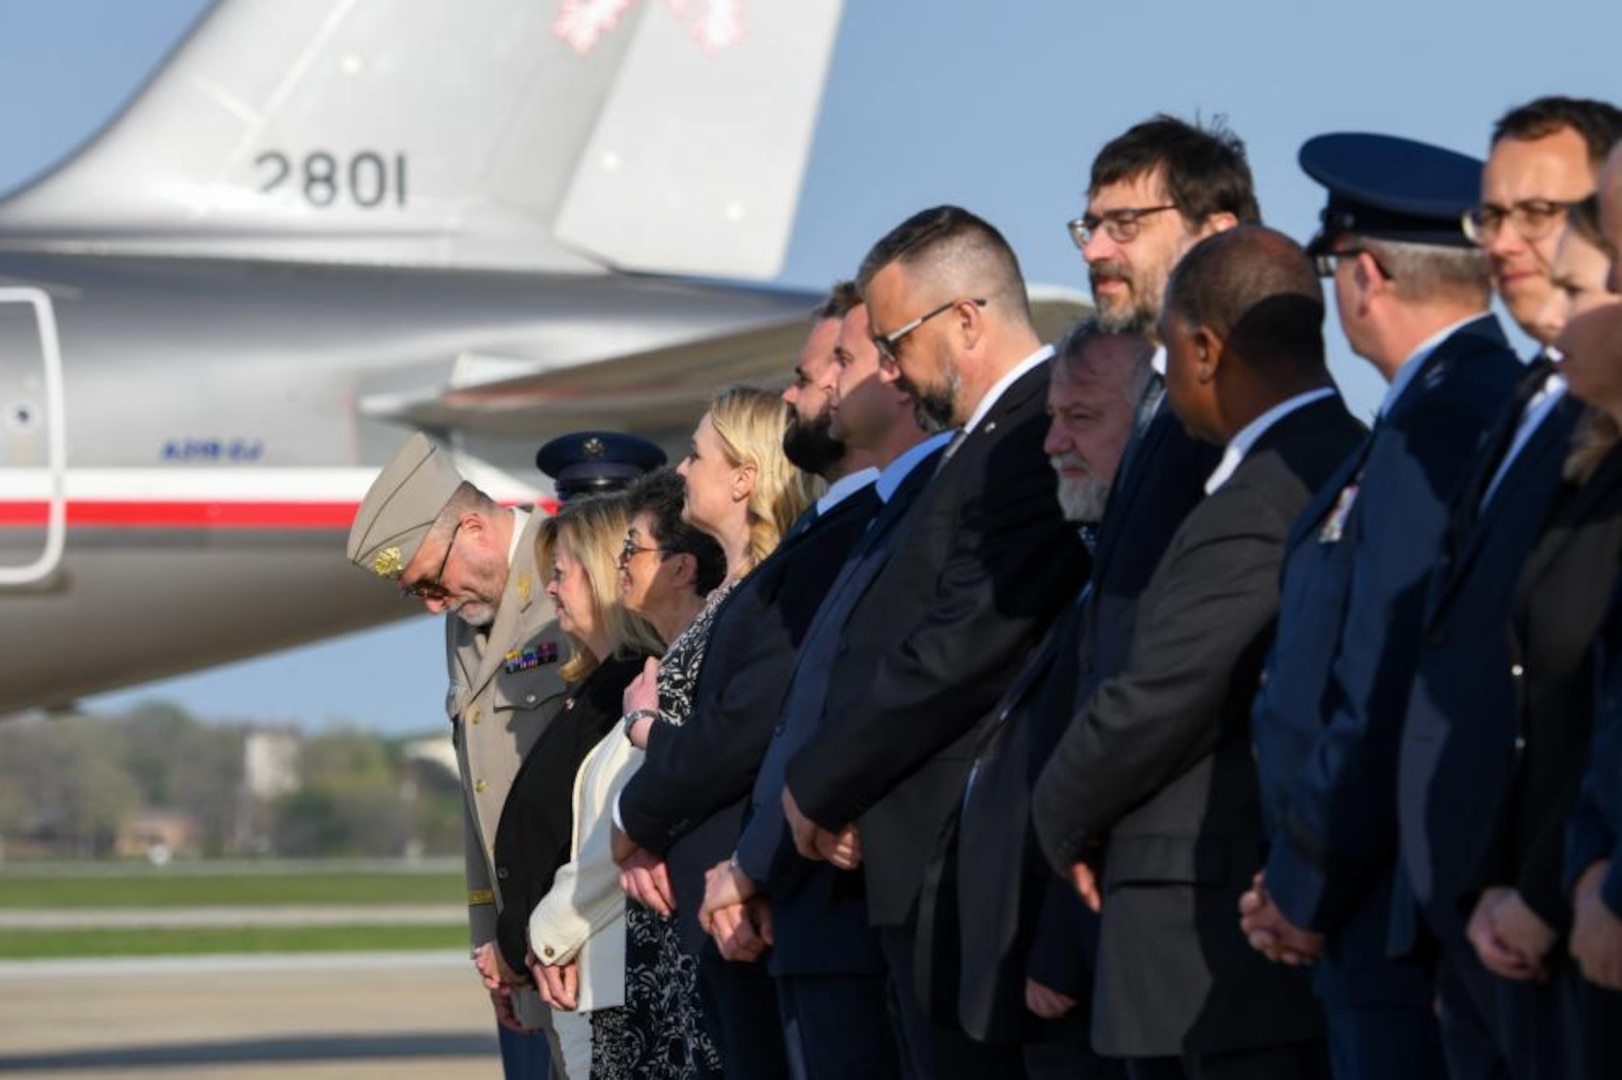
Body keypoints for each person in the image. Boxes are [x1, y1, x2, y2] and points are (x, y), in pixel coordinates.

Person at [1033, 226, 1357, 1078]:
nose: (1166, 379)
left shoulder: (1269, 489)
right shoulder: (1324, 461)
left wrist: (1059, 815)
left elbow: (1159, 693)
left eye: (1169, 353)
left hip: (1212, 948)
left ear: (1206, 349)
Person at [1238, 133, 1524, 1080]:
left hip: (1388, 906)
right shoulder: (1438, 407)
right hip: (1370, 898)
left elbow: (1386, 670)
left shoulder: (1442, 419)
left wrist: (1305, 882)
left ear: (1362, 272)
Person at [780, 205, 1088, 1078]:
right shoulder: (981, 442)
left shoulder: (1032, 434)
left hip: (972, 869)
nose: (886, 370)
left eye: (895, 342)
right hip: (921, 860)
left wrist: (824, 784)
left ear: (964, 319)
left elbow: (964, 645)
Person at [345, 429, 662, 1079]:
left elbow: (605, 772)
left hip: (584, 927)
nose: (435, 603)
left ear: (471, 526)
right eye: (417, 593)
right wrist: (488, 932)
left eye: (431, 579)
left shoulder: (570, 575)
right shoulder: (464, 620)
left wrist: (559, 926)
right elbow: (478, 790)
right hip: (521, 942)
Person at [703, 297, 941, 1080]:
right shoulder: (868, 519)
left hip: (842, 892)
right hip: (801, 894)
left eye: (835, 367)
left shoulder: (911, 508)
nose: (814, 394)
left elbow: (902, 689)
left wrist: (764, 855)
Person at [932, 322, 1151, 1079]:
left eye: (1082, 417)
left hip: (1098, 969)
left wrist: (1056, 939)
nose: (1053, 442)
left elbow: (1121, 757)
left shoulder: (1150, 571)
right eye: (1052, 417)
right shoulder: (1097, 560)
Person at [612, 385, 817, 1079]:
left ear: (744, 478)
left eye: (697, 454)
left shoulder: (770, 590)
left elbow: (730, 741)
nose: (681, 471)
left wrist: (642, 745)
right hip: (698, 903)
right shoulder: (736, 594)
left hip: (731, 894)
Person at [487, 493, 661, 1078]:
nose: (552, 589)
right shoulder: (595, 688)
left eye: (561, 574)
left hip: (600, 969)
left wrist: (530, 940)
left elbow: (606, 841)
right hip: (574, 971)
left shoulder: (631, 688)